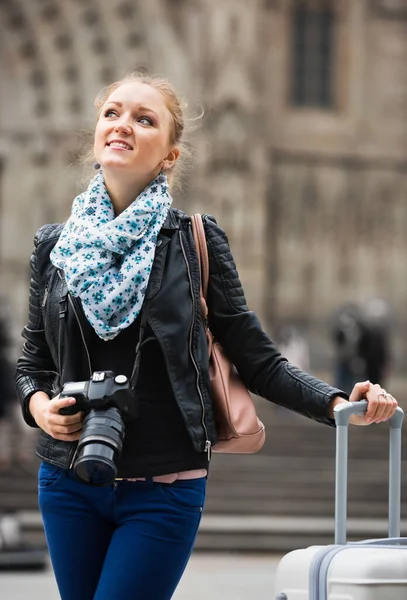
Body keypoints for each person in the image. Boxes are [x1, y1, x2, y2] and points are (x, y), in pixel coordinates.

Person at [15, 72, 398, 600]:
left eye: (145, 119)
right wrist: (39, 407)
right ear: (97, 133)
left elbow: (256, 358)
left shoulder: (194, 242)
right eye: (113, 113)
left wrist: (336, 400)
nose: (123, 125)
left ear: (170, 155)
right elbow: (32, 363)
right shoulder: (53, 247)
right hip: (67, 480)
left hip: (164, 487)